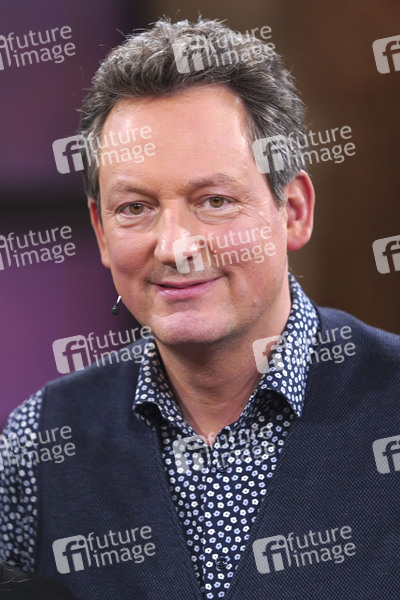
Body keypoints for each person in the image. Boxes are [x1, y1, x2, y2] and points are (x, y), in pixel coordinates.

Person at [1, 16, 400, 600]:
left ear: (292, 211)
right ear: (102, 232)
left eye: (213, 200)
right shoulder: (39, 441)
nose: (175, 247)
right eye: (135, 208)